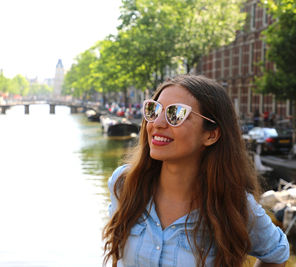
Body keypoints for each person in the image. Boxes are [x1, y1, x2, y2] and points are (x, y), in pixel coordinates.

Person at [103, 75, 289, 267]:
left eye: (176, 114)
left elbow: (276, 253)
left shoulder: (234, 205)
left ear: (211, 135)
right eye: (153, 110)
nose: (157, 123)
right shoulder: (125, 184)